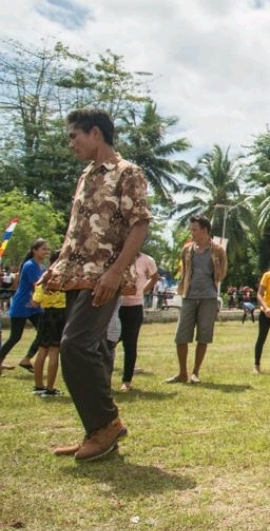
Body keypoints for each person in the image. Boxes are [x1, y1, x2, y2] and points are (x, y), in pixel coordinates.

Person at [43, 107, 151, 461]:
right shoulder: (86, 176)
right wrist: (56, 267)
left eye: (74, 136)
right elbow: (77, 232)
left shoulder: (127, 173)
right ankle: (97, 429)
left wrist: (116, 272)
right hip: (76, 277)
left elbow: (139, 225)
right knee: (76, 348)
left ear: (95, 133)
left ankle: (107, 424)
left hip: (104, 277)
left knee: (76, 346)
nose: (71, 143)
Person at [165, 215, 226, 384]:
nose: (192, 233)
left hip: (208, 297)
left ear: (205, 230)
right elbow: (184, 271)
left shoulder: (218, 250)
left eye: (194, 229)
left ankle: (195, 372)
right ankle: (182, 372)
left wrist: (217, 265)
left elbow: (222, 275)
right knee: (181, 336)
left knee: (203, 336)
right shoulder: (187, 250)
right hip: (189, 296)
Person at [0, 239, 48, 373]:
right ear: (35, 250)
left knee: (44, 332)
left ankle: (26, 359)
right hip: (22, 304)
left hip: (34, 305)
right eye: (43, 249)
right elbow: (37, 286)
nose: (46, 252)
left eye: (47, 249)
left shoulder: (42, 266)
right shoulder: (30, 265)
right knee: (15, 336)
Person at [115, 251, 157, 392]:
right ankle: (102, 377)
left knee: (130, 344)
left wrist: (142, 291)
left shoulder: (146, 260)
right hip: (116, 306)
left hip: (134, 307)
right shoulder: (117, 256)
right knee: (109, 342)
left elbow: (154, 277)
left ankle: (126, 381)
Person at [29, 251, 64, 397]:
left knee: (42, 350)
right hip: (60, 315)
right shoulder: (64, 278)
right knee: (54, 351)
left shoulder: (44, 277)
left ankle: (38, 385)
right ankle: (50, 388)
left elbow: (35, 303)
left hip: (45, 315)